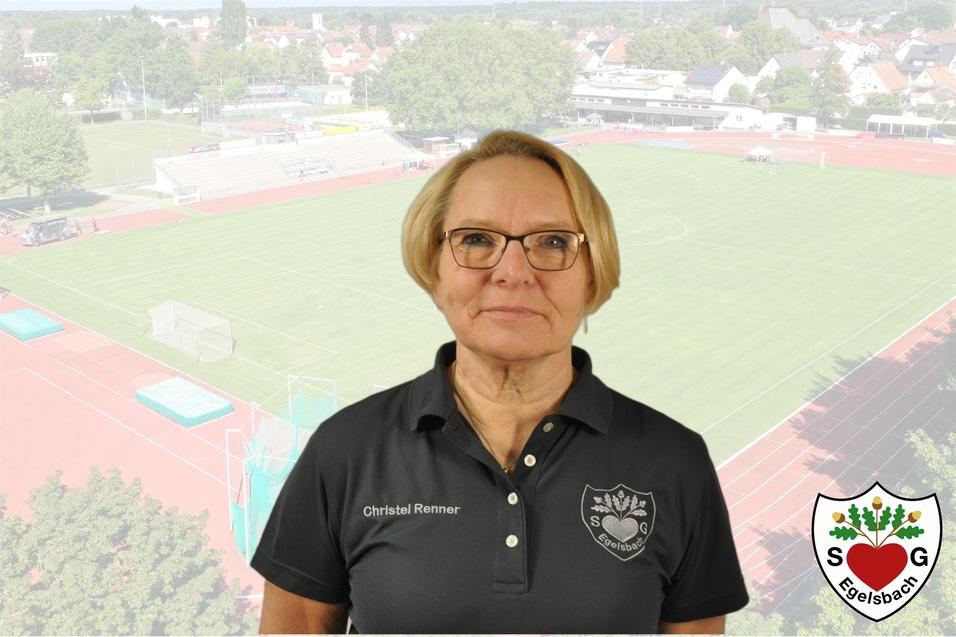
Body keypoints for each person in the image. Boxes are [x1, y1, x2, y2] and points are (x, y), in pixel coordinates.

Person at [252, 130, 749, 633]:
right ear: (435, 270)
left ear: (592, 276)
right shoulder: (344, 451)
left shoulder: (676, 461)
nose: (513, 272)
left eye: (553, 242)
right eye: (476, 239)